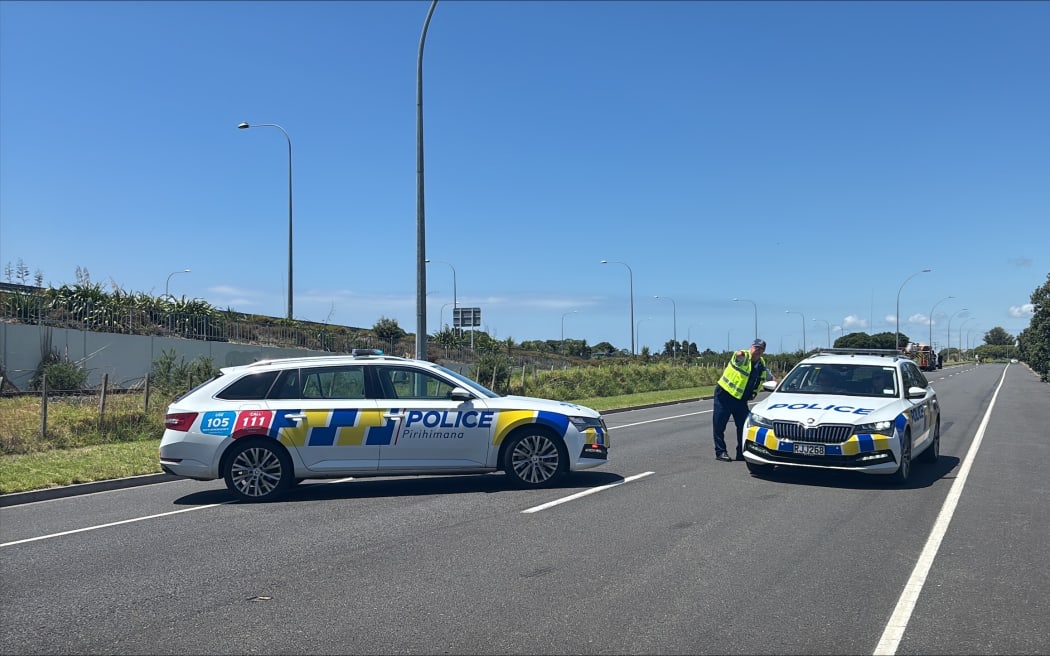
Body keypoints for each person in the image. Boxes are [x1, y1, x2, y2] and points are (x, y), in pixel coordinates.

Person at [712, 338, 774, 462]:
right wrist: (741, 353)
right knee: (719, 425)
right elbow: (738, 355)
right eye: (756, 348)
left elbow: (770, 378)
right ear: (751, 347)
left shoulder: (761, 365)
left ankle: (741, 452)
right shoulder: (743, 357)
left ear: (763, 351)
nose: (757, 351)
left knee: (744, 426)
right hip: (724, 395)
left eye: (760, 349)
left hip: (740, 400)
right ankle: (721, 452)